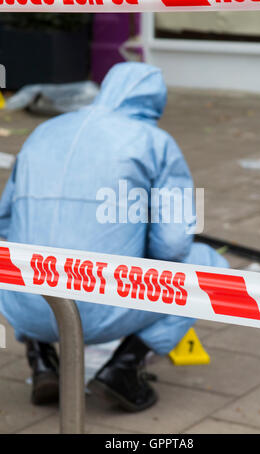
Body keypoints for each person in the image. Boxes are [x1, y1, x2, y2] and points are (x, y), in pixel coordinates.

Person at [0, 62, 228, 412]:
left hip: (26, 302)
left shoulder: (45, 131)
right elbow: (173, 244)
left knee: (34, 240)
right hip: (97, 309)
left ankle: (41, 357)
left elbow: (5, 222)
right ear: (155, 102)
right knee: (207, 264)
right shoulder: (154, 142)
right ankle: (124, 368)